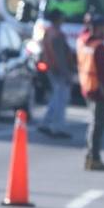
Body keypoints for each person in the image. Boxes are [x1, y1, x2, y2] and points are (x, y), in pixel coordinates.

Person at [77, 13, 104, 172]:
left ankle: (90, 157)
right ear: (99, 28)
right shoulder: (99, 47)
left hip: (88, 87)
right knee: (99, 125)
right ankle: (94, 158)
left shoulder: (83, 41)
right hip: (100, 91)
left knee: (94, 123)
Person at [39, 8, 74, 139]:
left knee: (56, 97)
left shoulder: (48, 32)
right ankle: (57, 127)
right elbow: (61, 57)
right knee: (61, 99)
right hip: (58, 70)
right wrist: (67, 74)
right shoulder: (57, 35)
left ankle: (46, 123)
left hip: (50, 68)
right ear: (58, 19)